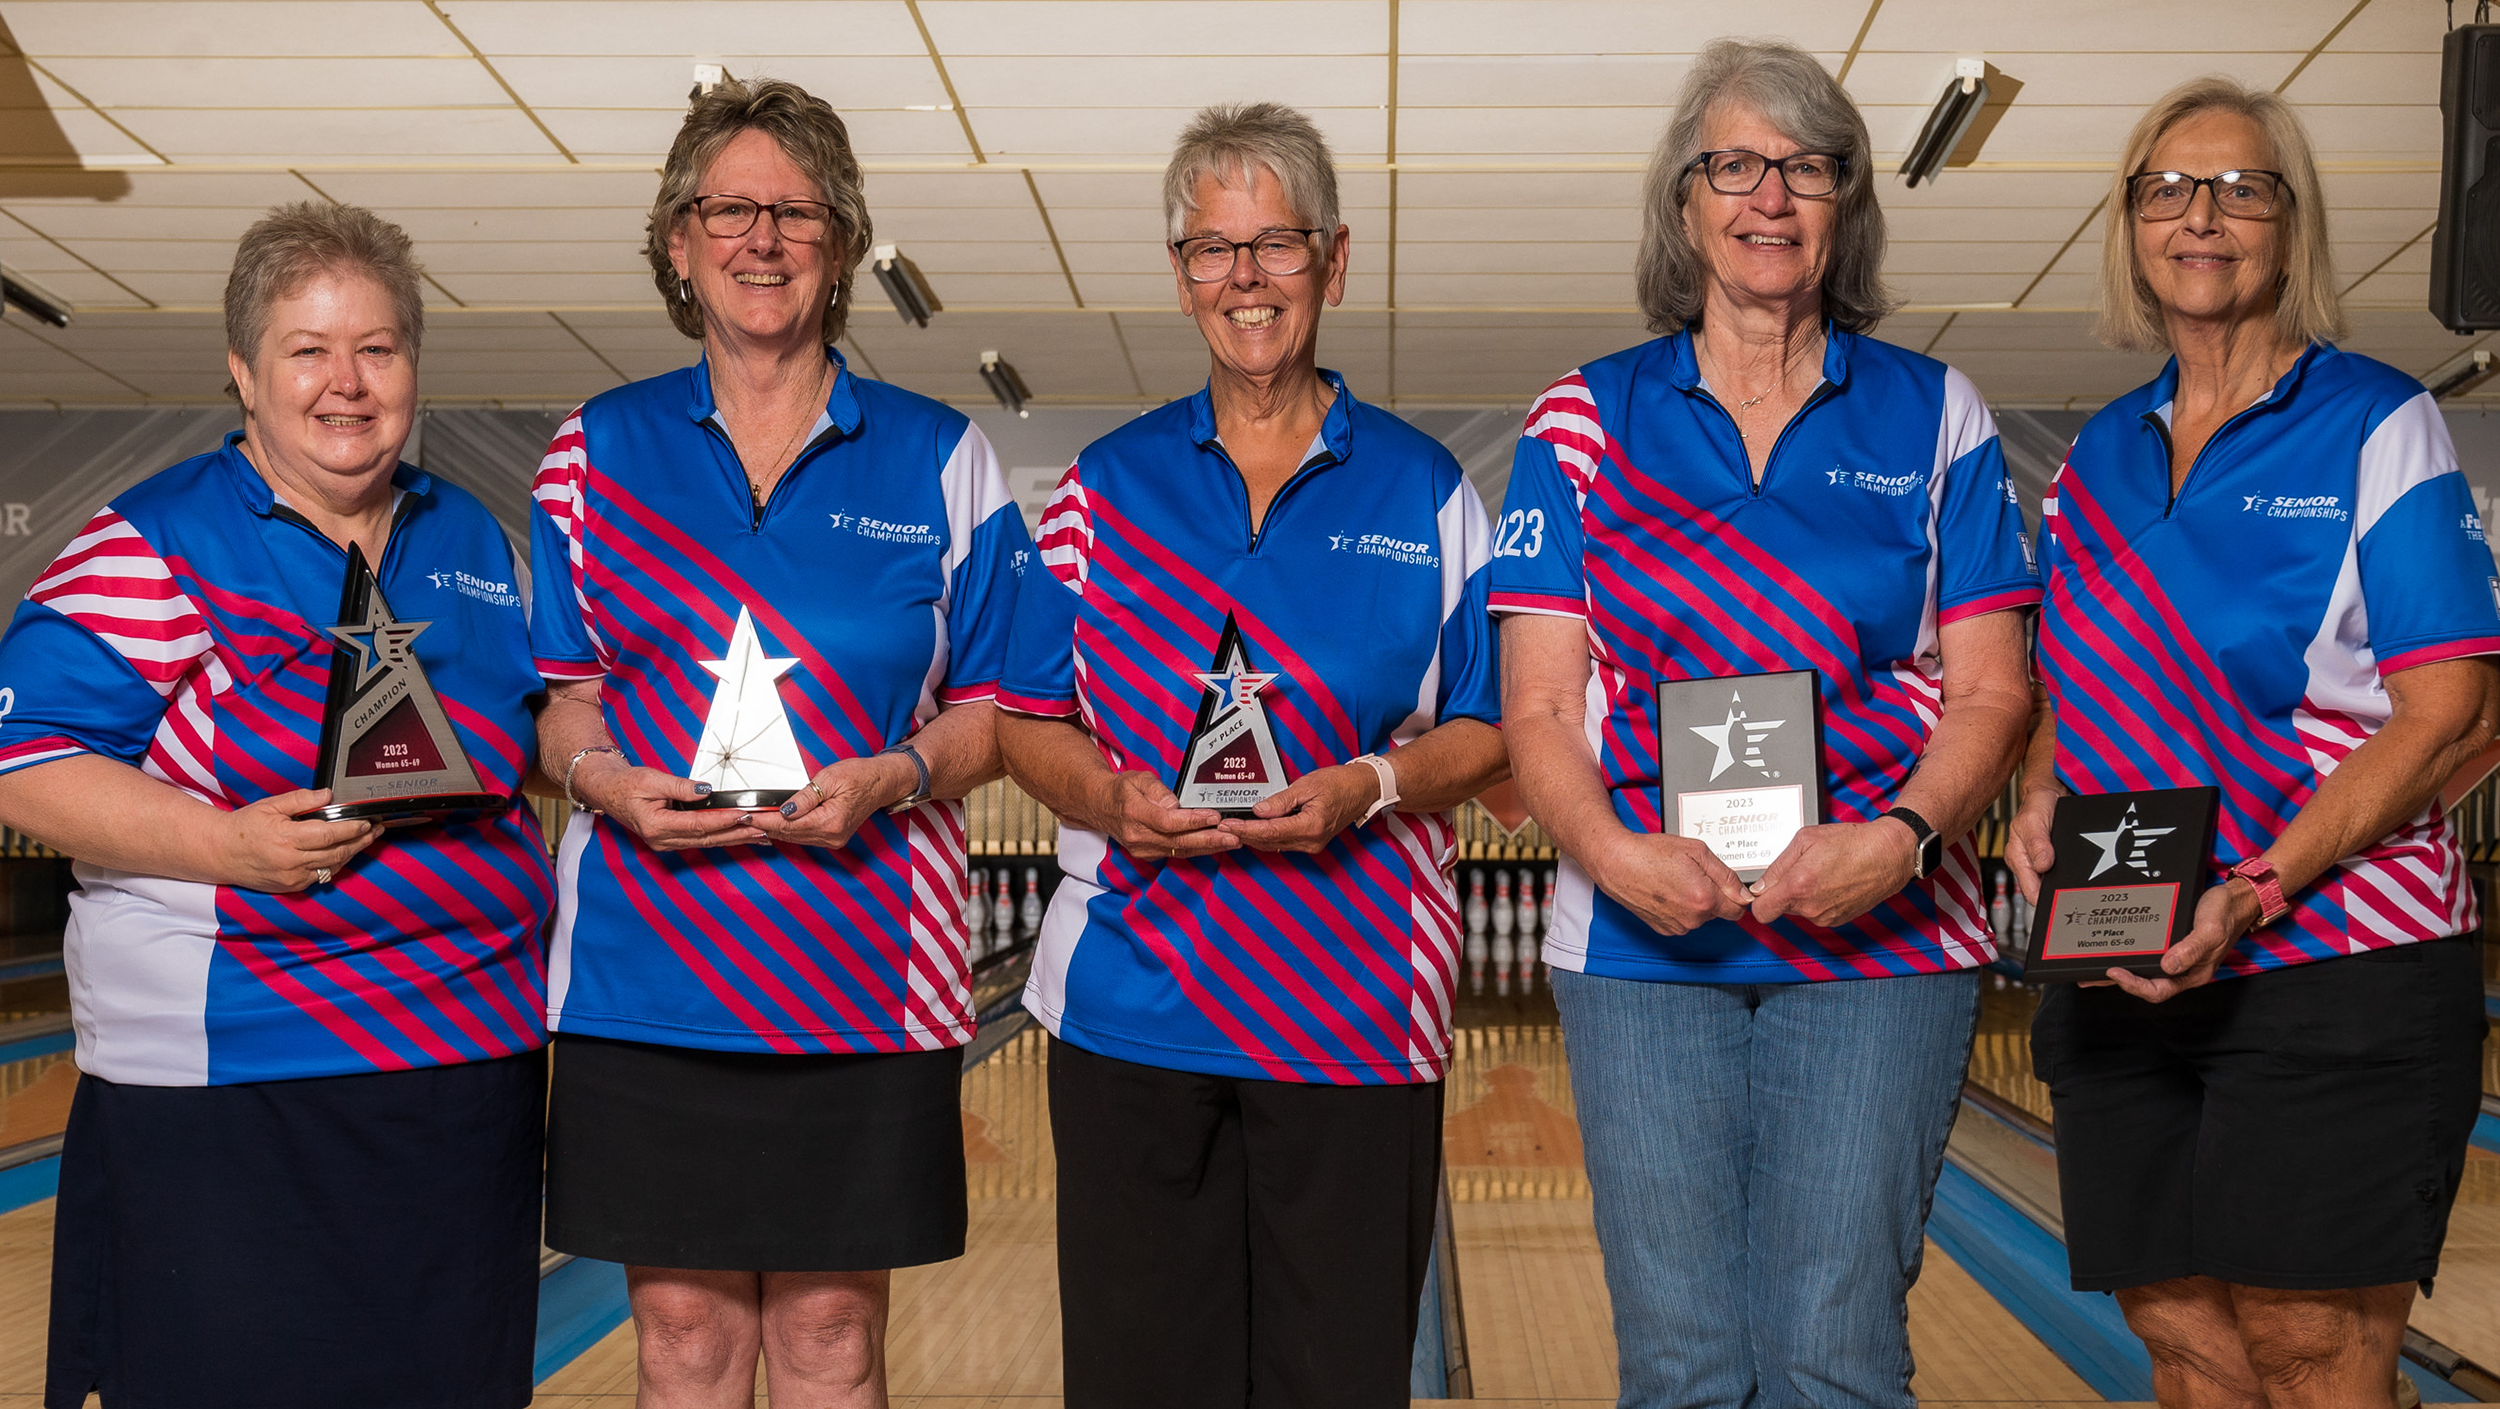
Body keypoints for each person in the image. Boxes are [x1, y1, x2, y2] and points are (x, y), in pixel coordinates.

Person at [1492, 39, 2040, 1407]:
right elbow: (1540, 705)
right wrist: (1614, 852)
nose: (1770, 197)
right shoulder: (1581, 418)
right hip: (1635, 938)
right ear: (1686, 203)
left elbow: (1992, 688)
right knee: (1679, 1363)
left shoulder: (1935, 414)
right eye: (1734, 165)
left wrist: (1905, 838)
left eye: (1806, 168)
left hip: (1884, 939)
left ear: (1846, 203)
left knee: (1835, 1354)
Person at [994, 101, 1506, 1409]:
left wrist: (1372, 786)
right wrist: (1107, 796)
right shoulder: (1100, 494)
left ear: (1334, 263)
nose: (1246, 278)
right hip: (1132, 1011)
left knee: (1333, 1381)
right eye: (1214, 250)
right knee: (1138, 1380)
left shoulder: (1428, 491)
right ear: (1180, 276)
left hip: (1353, 1015)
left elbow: (1493, 726)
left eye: (1276, 245)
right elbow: (1018, 719)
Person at [0, 202, 552, 1409]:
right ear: (245, 372)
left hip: (467, 1072)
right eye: (309, 350)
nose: (346, 382)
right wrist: (225, 844)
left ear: (413, 366)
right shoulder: (155, 540)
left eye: (378, 348)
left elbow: (524, 738)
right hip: (239, 1079)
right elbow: (23, 757)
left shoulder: (465, 533)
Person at [527, 77, 1026, 1408]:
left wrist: (898, 774)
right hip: (646, 972)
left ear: (843, 241)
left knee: (827, 1337)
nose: (762, 238)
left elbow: (1000, 714)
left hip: (864, 977)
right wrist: (602, 779)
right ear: (679, 242)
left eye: (795, 212)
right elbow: (559, 698)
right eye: (730, 209)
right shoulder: (595, 452)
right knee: (683, 1335)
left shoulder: (941, 456)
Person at [2007, 76, 2499, 1409]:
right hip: (2126, 956)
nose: (2202, 217)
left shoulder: (2376, 424)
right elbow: (2069, 687)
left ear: (2292, 224)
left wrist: (2263, 883)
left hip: (2339, 962)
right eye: (2168, 189)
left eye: (2241, 188)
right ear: (2131, 226)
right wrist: (2040, 790)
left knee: (2313, 1357)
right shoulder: (2099, 457)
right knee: (2190, 1350)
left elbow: (2457, 709)